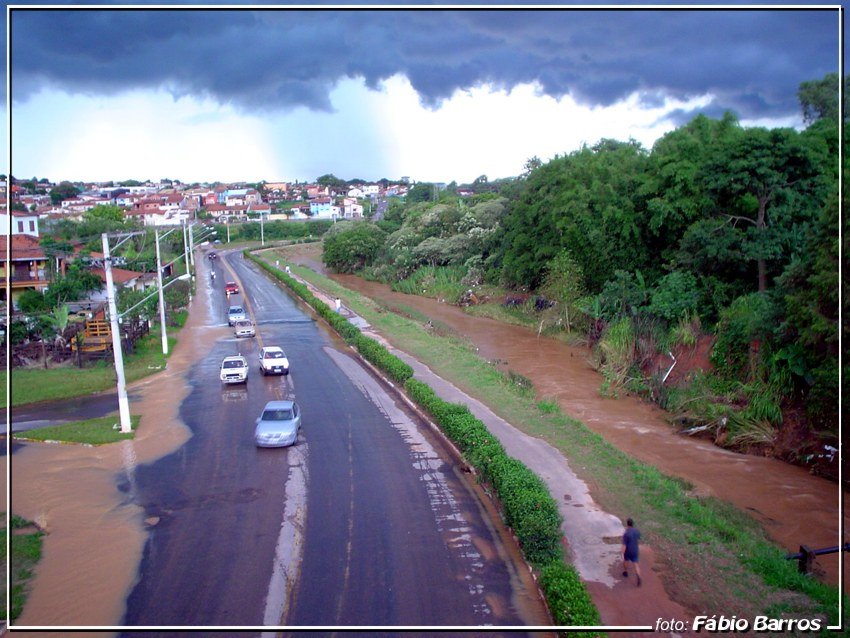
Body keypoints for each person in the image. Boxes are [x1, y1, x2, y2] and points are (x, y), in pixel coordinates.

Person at [621, 517, 642, 586]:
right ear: (633, 524)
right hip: (635, 550)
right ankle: (638, 576)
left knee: (625, 561)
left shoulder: (626, 534)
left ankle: (625, 572)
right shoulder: (636, 531)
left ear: (627, 524)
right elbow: (639, 538)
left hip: (628, 551)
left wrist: (622, 553)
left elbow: (624, 545)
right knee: (636, 564)